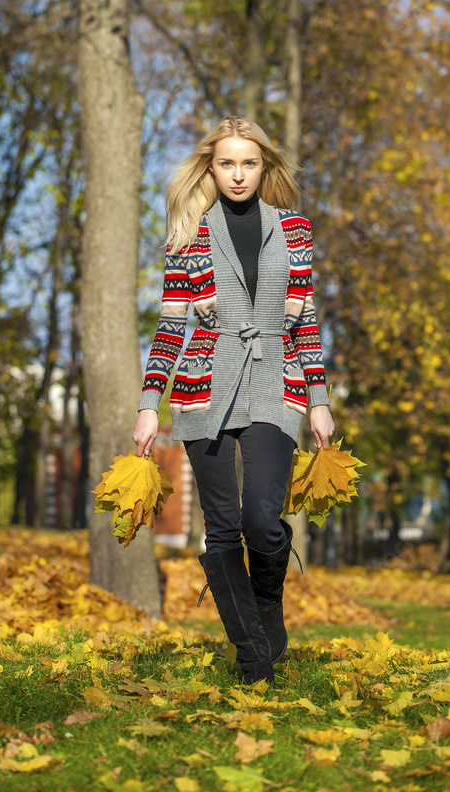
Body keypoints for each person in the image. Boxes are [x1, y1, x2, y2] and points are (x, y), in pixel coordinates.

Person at [132, 116, 335, 685]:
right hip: (203, 385)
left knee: (263, 520)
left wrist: (319, 399)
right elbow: (172, 326)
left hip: (278, 378)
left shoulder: (293, 229)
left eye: (249, 162)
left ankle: (267, 602)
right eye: (227, 163)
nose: (238, 174)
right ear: (211, 167)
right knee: (221, 528)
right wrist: (151, 402)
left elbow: (307, 321)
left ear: (264, 165)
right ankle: (253, 661)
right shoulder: (188, 234)